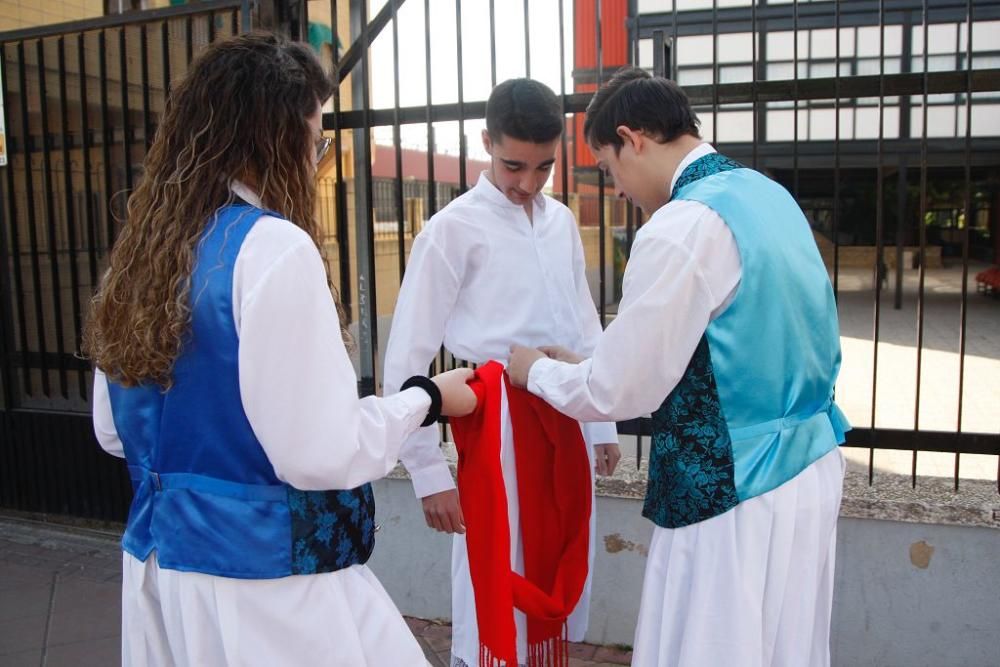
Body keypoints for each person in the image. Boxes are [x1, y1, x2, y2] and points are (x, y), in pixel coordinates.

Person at [84, 33, 475, 667]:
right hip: (267, 581)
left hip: (161, 568)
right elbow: (320, 453)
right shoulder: (272, 249)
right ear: (274, 138)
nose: (317, 157)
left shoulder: (140, 254)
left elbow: (113, 431)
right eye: (317, 138)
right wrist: (425, 399)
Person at [509, 68, 849, 667]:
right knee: (786, 643)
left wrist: (535, 370)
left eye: (609, 168)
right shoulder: (768, 196)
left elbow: (621, 388)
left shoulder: (683, 224)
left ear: (632, 138)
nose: (615, 188)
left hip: (731, 483)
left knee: (713, 645)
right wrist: (592, 360)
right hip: (809, 467)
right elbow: (730, 337)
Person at [382, 78, 621, 667]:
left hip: (560, 402)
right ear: (485, 142)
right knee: (493, 553)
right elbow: (407, 357)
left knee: (557, 541)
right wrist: (428, 472)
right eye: (514, 165)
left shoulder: (561, 221)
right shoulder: (452, 229)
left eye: (543, 168)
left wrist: (603, 422)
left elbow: (581, 320)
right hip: (492, 415)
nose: (528, 183)